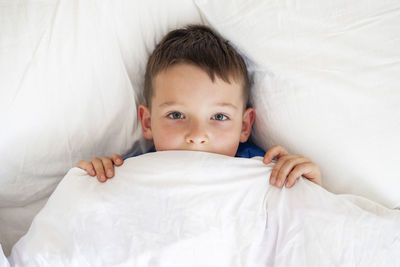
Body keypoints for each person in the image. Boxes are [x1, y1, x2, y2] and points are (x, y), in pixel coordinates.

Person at [77, 25, 322, 189]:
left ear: (244, 126)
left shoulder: (262, 170)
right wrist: (98, 179)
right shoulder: (131, 172)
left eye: (219, 116)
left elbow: (303, 231)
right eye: (176, 114)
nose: (197, 136)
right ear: (148, 123)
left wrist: (309, 187)